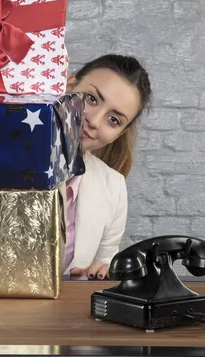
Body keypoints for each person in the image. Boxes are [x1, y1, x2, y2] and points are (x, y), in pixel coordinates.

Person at [62, 54, 152, 280]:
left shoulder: (114, 186)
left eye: (114, 120)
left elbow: (104, 264)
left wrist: (99, 273)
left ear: (119, 134)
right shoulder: (1, 161)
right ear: (68, 85)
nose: (94, 120)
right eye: (91, 99)